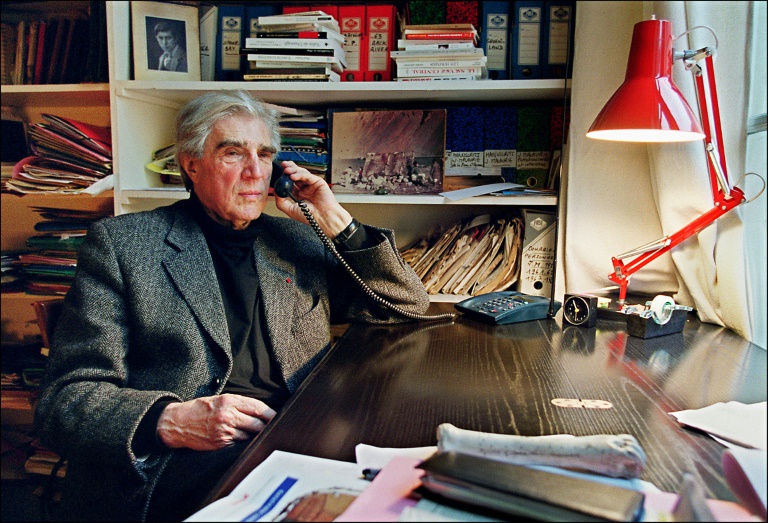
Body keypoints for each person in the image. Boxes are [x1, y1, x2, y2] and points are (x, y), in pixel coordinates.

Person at [34, 90, 430, 521]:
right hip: (185, 459)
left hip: (301, 437)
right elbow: (63, 401)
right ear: (191, 163)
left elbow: (405, 305)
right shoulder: (124, 246)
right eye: (232, 152)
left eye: (265, 154)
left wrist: (337, 221)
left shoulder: (297, 240)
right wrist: (170, 419)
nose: (255, 171)